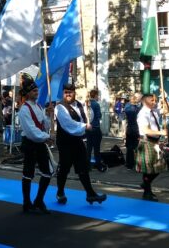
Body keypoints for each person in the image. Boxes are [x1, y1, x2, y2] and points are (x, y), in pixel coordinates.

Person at [55, 83, 107, 205]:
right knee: (64, 168)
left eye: (70, 92)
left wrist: (88, 112)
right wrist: (85, 126)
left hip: (77, 141)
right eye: (66, 91)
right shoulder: (60, 107)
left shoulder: (79, 104)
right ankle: (60, 192)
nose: (68, 94)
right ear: (63, 93)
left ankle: (90, 194)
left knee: (83, 167)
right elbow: (69, 125)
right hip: (65, 142)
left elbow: (87, 117)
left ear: (74, 93)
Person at [18, 74, 53, 214]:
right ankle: (26, 203)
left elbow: (45, 125)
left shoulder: (38, 106)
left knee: (47, 172)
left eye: (37, 90)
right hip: (30, 143)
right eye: (33, 90)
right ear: (27, 93)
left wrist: (50, 115)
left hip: (39, 143)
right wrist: (47, 137)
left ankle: (39, 200)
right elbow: (32, 131)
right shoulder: (24, 110)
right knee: (28, 173)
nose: (37, 92)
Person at [136, 94, 167, 201]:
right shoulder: (143, 114)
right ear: (145, 101)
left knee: (160, 166)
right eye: (152, 100)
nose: (154, 102)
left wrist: (165, 98)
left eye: (155, 100)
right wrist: (160, 132)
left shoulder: (154, 110)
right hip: (147, 142)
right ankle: (147, 192)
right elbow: (145, 130)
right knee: (148, 170)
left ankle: (146, 184)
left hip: (155, 142)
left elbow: (166, 110)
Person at [86, 89, 104, 172]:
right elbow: (99, 115)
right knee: (97, 148)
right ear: (96, 95)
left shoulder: (86, 103)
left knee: (89, 147)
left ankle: (87, 166)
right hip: (95, 127)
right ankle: (98, 165)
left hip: (88, 128)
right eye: (98, 95)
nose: (98, 97)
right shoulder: (96, 104)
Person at [124, 92, 142, 169]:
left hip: (130, 129)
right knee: (136, 147)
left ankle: (129, 164)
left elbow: (125, 118)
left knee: (130, 147)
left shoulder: (127, 106)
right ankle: (136, 164)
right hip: (135, 129)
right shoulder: (136, 108)